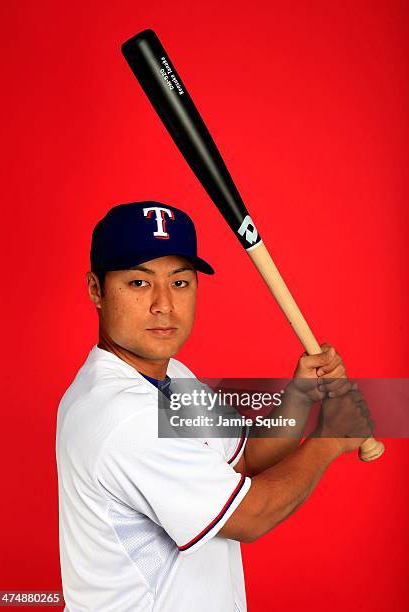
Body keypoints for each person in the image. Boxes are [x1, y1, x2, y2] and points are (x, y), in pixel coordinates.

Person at [56, 201, 373, 612]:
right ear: (96, 290)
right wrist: (329, 439)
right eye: (139, 283)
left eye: (180, 283)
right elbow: (250, 516)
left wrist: (299, 396)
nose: (164, 305)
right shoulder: (123, 413)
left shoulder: (172, 377)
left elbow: (246, 460)